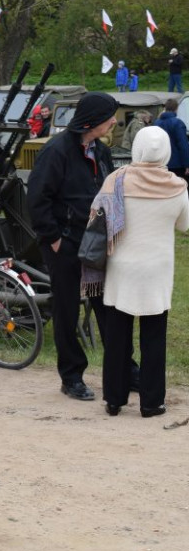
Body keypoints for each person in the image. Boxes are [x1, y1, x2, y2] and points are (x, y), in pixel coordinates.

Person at [89, 127, 189, 418]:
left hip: (122, 268)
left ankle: (114, 399)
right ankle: (152, 403)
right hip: (156, 269)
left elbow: (96, 216)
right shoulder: (177, 187)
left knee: (117, 337)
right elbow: (184, 225)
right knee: (154, 338)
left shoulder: (116, 180)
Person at [27, 92, 119, 401]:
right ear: (92, 121)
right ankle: (72, 376)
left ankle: (121, 369)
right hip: (65, 244)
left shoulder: (101, 151)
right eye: (109, 116)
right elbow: (37, 198)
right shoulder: (57, 151)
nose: (114, 121)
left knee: (105, 305)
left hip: (95, 241)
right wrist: (54, 239)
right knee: (66, 309)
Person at [154, 98, 189, 179]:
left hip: (161, 163)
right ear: (176, 109)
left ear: (165, 108)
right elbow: (183, 145)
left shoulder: (156, 123)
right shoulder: (178, 123)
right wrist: (187, 164)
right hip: (177, 164)